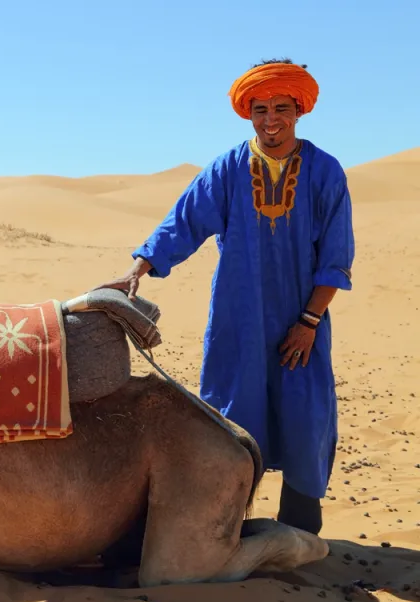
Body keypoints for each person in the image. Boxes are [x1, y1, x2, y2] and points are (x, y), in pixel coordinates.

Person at [94, 58, 355, 535]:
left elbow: (335, 258)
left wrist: (310, 322)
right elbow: (184, 222)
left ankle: (301, 530)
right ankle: (230, 530)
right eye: (260, 109)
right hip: (239, 317)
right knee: (232, 414)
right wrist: (139, 269)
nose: (270, 119)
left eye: (280, 107)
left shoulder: (324, 173)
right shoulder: (229, 169)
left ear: (298, 110)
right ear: (247, 113)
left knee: (305, 415)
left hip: (302, 321)